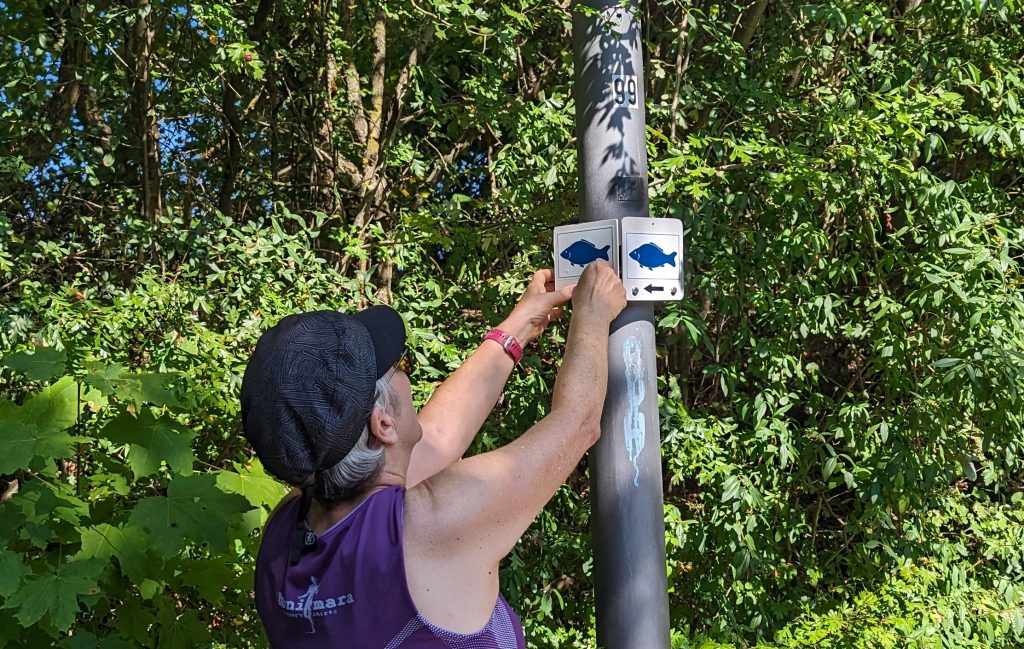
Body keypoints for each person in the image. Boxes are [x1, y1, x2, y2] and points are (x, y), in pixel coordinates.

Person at [241, 261, 626, 648]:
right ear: (383, 425)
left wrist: (521, 324)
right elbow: (577, 423)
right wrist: (593, 314)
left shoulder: (284, 529)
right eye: (398, 368)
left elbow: (441, 435)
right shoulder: (433, 524)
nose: (406, 376)